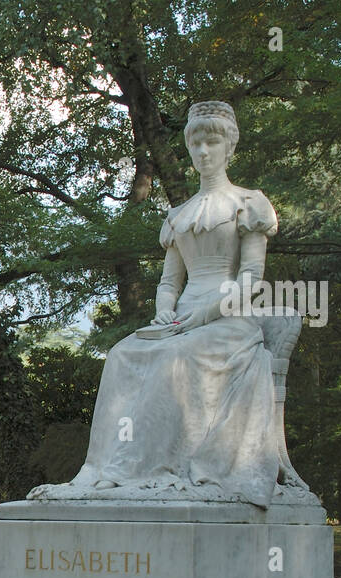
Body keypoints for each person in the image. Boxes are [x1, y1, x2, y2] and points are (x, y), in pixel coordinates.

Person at [31, 101, 293, 508]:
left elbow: (251, 279)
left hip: (227, 322)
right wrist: (165, 310)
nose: (204, 152)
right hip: (179, 320)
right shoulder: (180, 215)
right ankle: (103, 468)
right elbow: (169, 282)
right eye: (197, 144)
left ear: (229, 147)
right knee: (121, 355)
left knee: (177, 358)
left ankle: (133, 469)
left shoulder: (248, 203)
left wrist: (203, 315)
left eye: (212, 142)